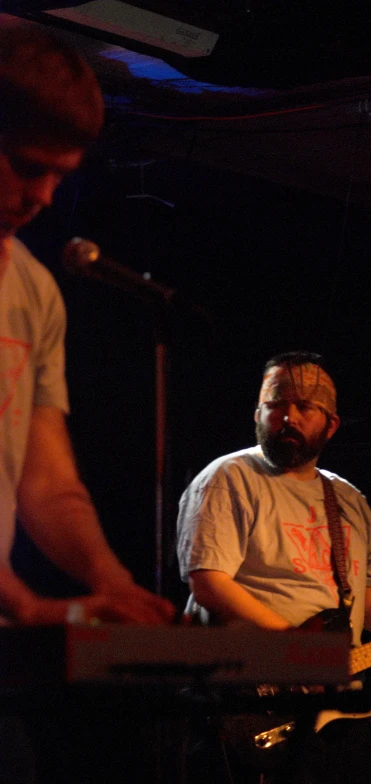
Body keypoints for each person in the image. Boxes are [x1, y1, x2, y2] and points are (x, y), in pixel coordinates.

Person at [176, 350, 371, 783]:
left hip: (330, 717)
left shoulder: (347, 500)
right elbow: (209, 582)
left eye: (304, 406)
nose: (287, 416)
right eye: (275, 404)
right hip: (246, 697)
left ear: (330, 425)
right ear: (258, 413)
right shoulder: (229, 477)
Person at [0, 19, 174, 627]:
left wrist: (115, 585)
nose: (44, 196)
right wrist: (23, 602)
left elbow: (46, 482)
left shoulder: (34, 291)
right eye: (27, 166)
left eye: (60, 174)